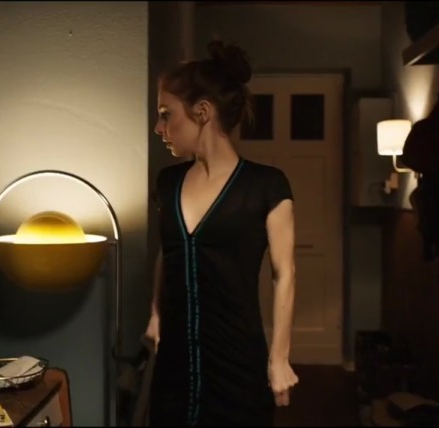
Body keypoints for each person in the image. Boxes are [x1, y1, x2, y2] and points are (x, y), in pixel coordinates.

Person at [144, 39, 299, 426]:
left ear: (202, 112)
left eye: (166, 114)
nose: (159, 127)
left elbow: (285, 273)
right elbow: (168, 252)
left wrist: (279, 358)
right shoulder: (167, 182)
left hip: (237, 361)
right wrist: (156, 315)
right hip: (174, 362)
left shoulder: (266, 186)